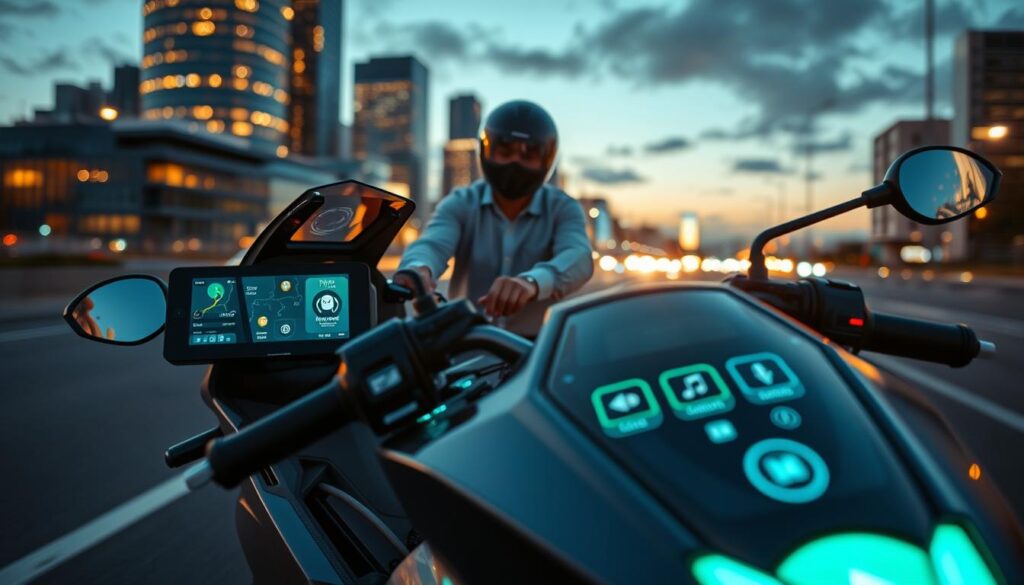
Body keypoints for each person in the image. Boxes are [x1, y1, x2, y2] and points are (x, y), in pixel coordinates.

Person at [395, 100, 593, 336]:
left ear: (546, 161)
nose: (515, 162)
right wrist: (420, 269)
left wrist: (532, 282)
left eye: (528, 154)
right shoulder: (461, 202)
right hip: (466, 342)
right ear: (486, 152)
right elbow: (433, 243)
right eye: (505, 151)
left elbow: (579, 256)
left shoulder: (563, 207)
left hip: (540, 348)